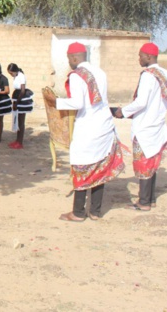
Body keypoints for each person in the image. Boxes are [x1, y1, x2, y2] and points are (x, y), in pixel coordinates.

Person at [43, 42, 125, 221]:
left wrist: (56, 102)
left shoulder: (76, 76)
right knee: (99, 167)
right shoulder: (100, 73)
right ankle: (95, 211)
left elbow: (77, 103)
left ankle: (78, 212)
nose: (69, 63)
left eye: (69, 59)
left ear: (74, 57)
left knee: (80, 165)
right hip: (104, 126)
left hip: (88, 128)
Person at [113, 42, 167, 211]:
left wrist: (122, 111)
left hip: (145, 126)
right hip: (158, 124)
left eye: (140, 56)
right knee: (153, 161)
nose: (138, 59)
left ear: (148, 56)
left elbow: (141, 101)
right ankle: (151, 199)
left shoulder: (148, 75)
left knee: (144, 163)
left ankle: (144, 202)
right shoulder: (166, 74)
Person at [6, 63, 34, 149]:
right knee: (17, 121)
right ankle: (17, 140)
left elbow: (22, 91)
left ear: (15, 71)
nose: (11, 75)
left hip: (21, 99)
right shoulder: (16, 76)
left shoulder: (21, 76)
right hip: (17, 98)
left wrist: (17, 102)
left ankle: (20, 142)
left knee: (21, 122)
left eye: (11, 73)